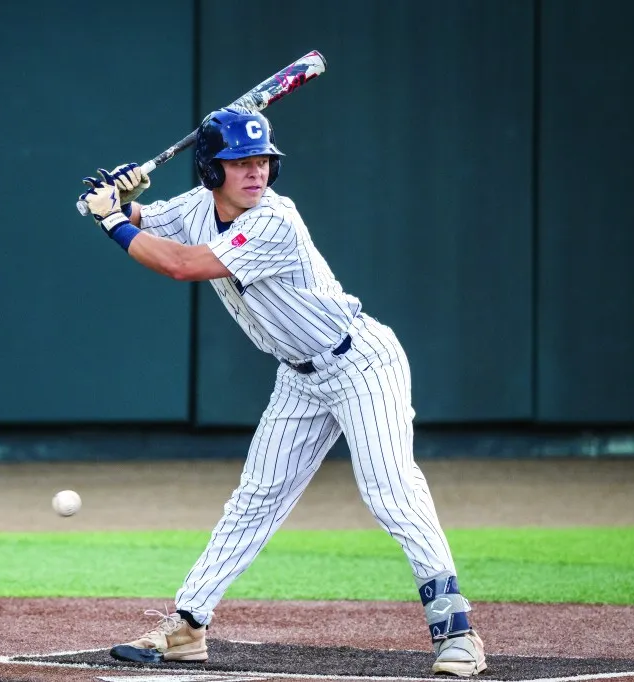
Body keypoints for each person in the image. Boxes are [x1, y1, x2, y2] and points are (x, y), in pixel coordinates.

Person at [77, 106, 486, 677]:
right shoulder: (196, 208)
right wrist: (116, 197)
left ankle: (457, 632)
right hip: (298, 376)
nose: (256, 172)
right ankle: (189, 625)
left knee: (390, 492)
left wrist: (110, 222)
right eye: (240, 162)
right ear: (211, 170)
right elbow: (147, 220)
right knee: (255, 500)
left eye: (263, 160)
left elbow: (179, 264)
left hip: (361, 363)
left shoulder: (275, 220)